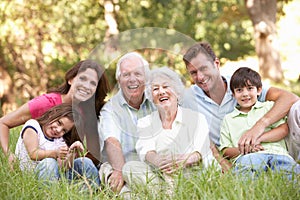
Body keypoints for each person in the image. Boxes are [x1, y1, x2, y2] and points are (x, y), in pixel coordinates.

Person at [182, 42, 299, 170]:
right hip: (239, 157)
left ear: (216, 63)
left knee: (297, 109)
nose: (200, 77)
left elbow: (290, 98)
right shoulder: (188, 98)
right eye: (193, 73)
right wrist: (222, 163)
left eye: (204, 68)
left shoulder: (240, 85)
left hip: (275, 147)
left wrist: (259, 126)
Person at [122, 67, 219, 193]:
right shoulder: (145, 122)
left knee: (128, 193)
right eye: (155, 89)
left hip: (190, 174)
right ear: (151, 96)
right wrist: (158, 161)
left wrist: (182, 160)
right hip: (159, 176)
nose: (161, 92)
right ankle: (167, 194)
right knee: (129, 168)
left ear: (177, 92)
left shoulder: (197, 118)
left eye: (166, 87)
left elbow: (201, 151)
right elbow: (146, 151)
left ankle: (165, 194)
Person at [0, 59, 110, 168]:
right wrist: (8, 155)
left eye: (92, 83)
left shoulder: (88, 112)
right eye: (83, 79)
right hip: (41, 166)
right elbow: (3, 123)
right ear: (70, 79)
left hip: (63, 167)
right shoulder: (46, 103)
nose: (86, 86)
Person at [218, 67, 299, 178]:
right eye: (239, 90)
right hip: (248, 157)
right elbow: (226, 150)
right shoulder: (228, 119)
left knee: (292, 176)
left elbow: (283, 129)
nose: (245, 94)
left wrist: (259, 138)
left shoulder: (269, 107)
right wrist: (246, 149)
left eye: (250, 88)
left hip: (278, 153)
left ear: (259, 90)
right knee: (244, 176)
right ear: (233, 94)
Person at [98, 52, 156, 193]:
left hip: (151, 169)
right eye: (126, 75)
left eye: (138, 74)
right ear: (119, 80)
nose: (132, 79)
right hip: (118, 166)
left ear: (146, 78)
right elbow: (112, 141)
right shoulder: (110, 109)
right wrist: (119, 170)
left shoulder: (156, 101)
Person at [15, 103, 100, 188]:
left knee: (85, 162)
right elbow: (33, 154)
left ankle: (91, 192)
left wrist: (73, 153)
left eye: (64, 130)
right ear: (52, 114)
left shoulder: (59, 139)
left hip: (55, 179)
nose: (58, 130)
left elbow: (63, 167)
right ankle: (49, 195)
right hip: (33, 176)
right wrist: (55, 153)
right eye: (59, 123)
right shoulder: (33, 126)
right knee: (49, 163)